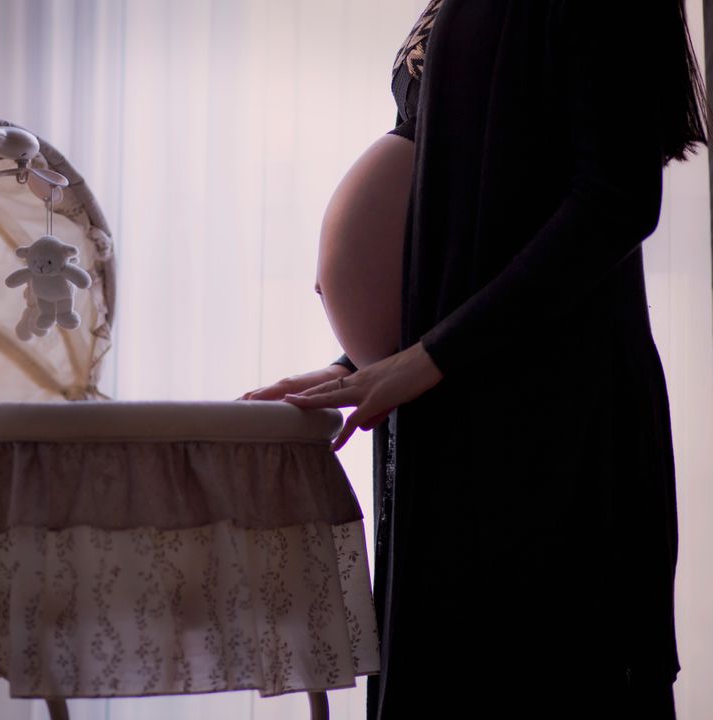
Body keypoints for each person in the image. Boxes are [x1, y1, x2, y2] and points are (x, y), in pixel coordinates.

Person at [242, 0, 707, 717]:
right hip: (450, 401)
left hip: (543, 422)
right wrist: (363, 358)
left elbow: (615, 199)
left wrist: (429, 355)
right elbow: (472, 206)